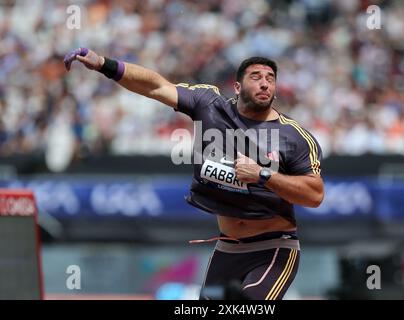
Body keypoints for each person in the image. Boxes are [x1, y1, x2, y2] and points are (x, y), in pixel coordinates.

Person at [63, 48, 324, 300]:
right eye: (256, 77)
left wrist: (263, 175)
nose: (265, 84)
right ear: (236, 87)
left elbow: (315, 195)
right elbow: (156, 86)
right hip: (228, 247)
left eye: (271, 79)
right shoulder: (209, 104)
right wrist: (104, 64)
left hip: (274, 248)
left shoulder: (294, 137)